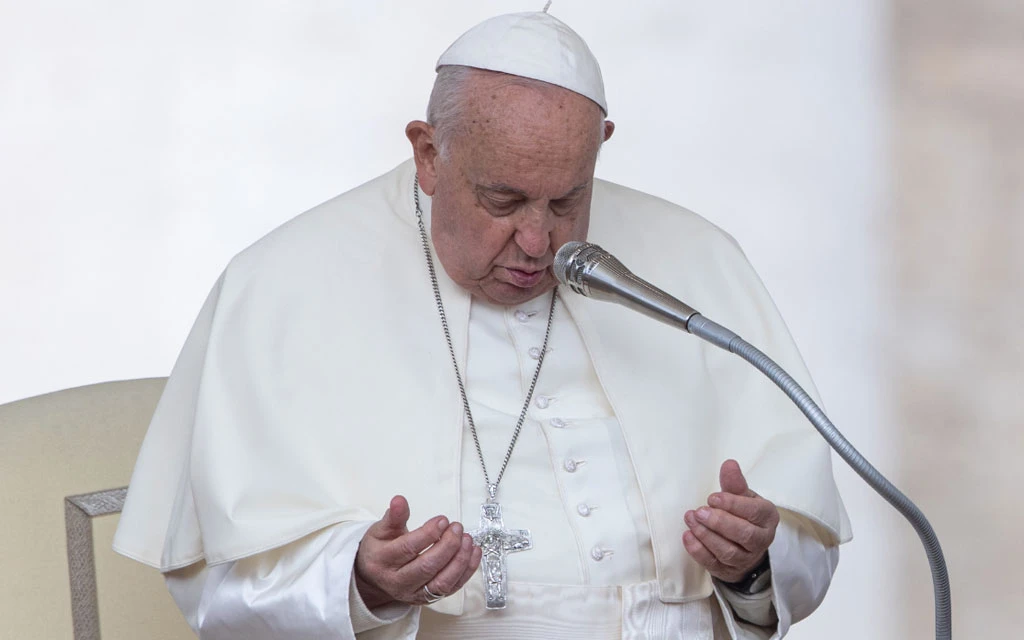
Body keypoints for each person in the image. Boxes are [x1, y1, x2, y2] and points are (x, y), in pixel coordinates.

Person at [114, 9, 850, 639]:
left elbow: (806, 554)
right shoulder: (282, 282)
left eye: (568, 201)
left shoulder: (695, 262)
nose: (540, 242)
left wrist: (754, 563)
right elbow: (214, 587)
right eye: (504, 201)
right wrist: (359, 583)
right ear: (429, 156)